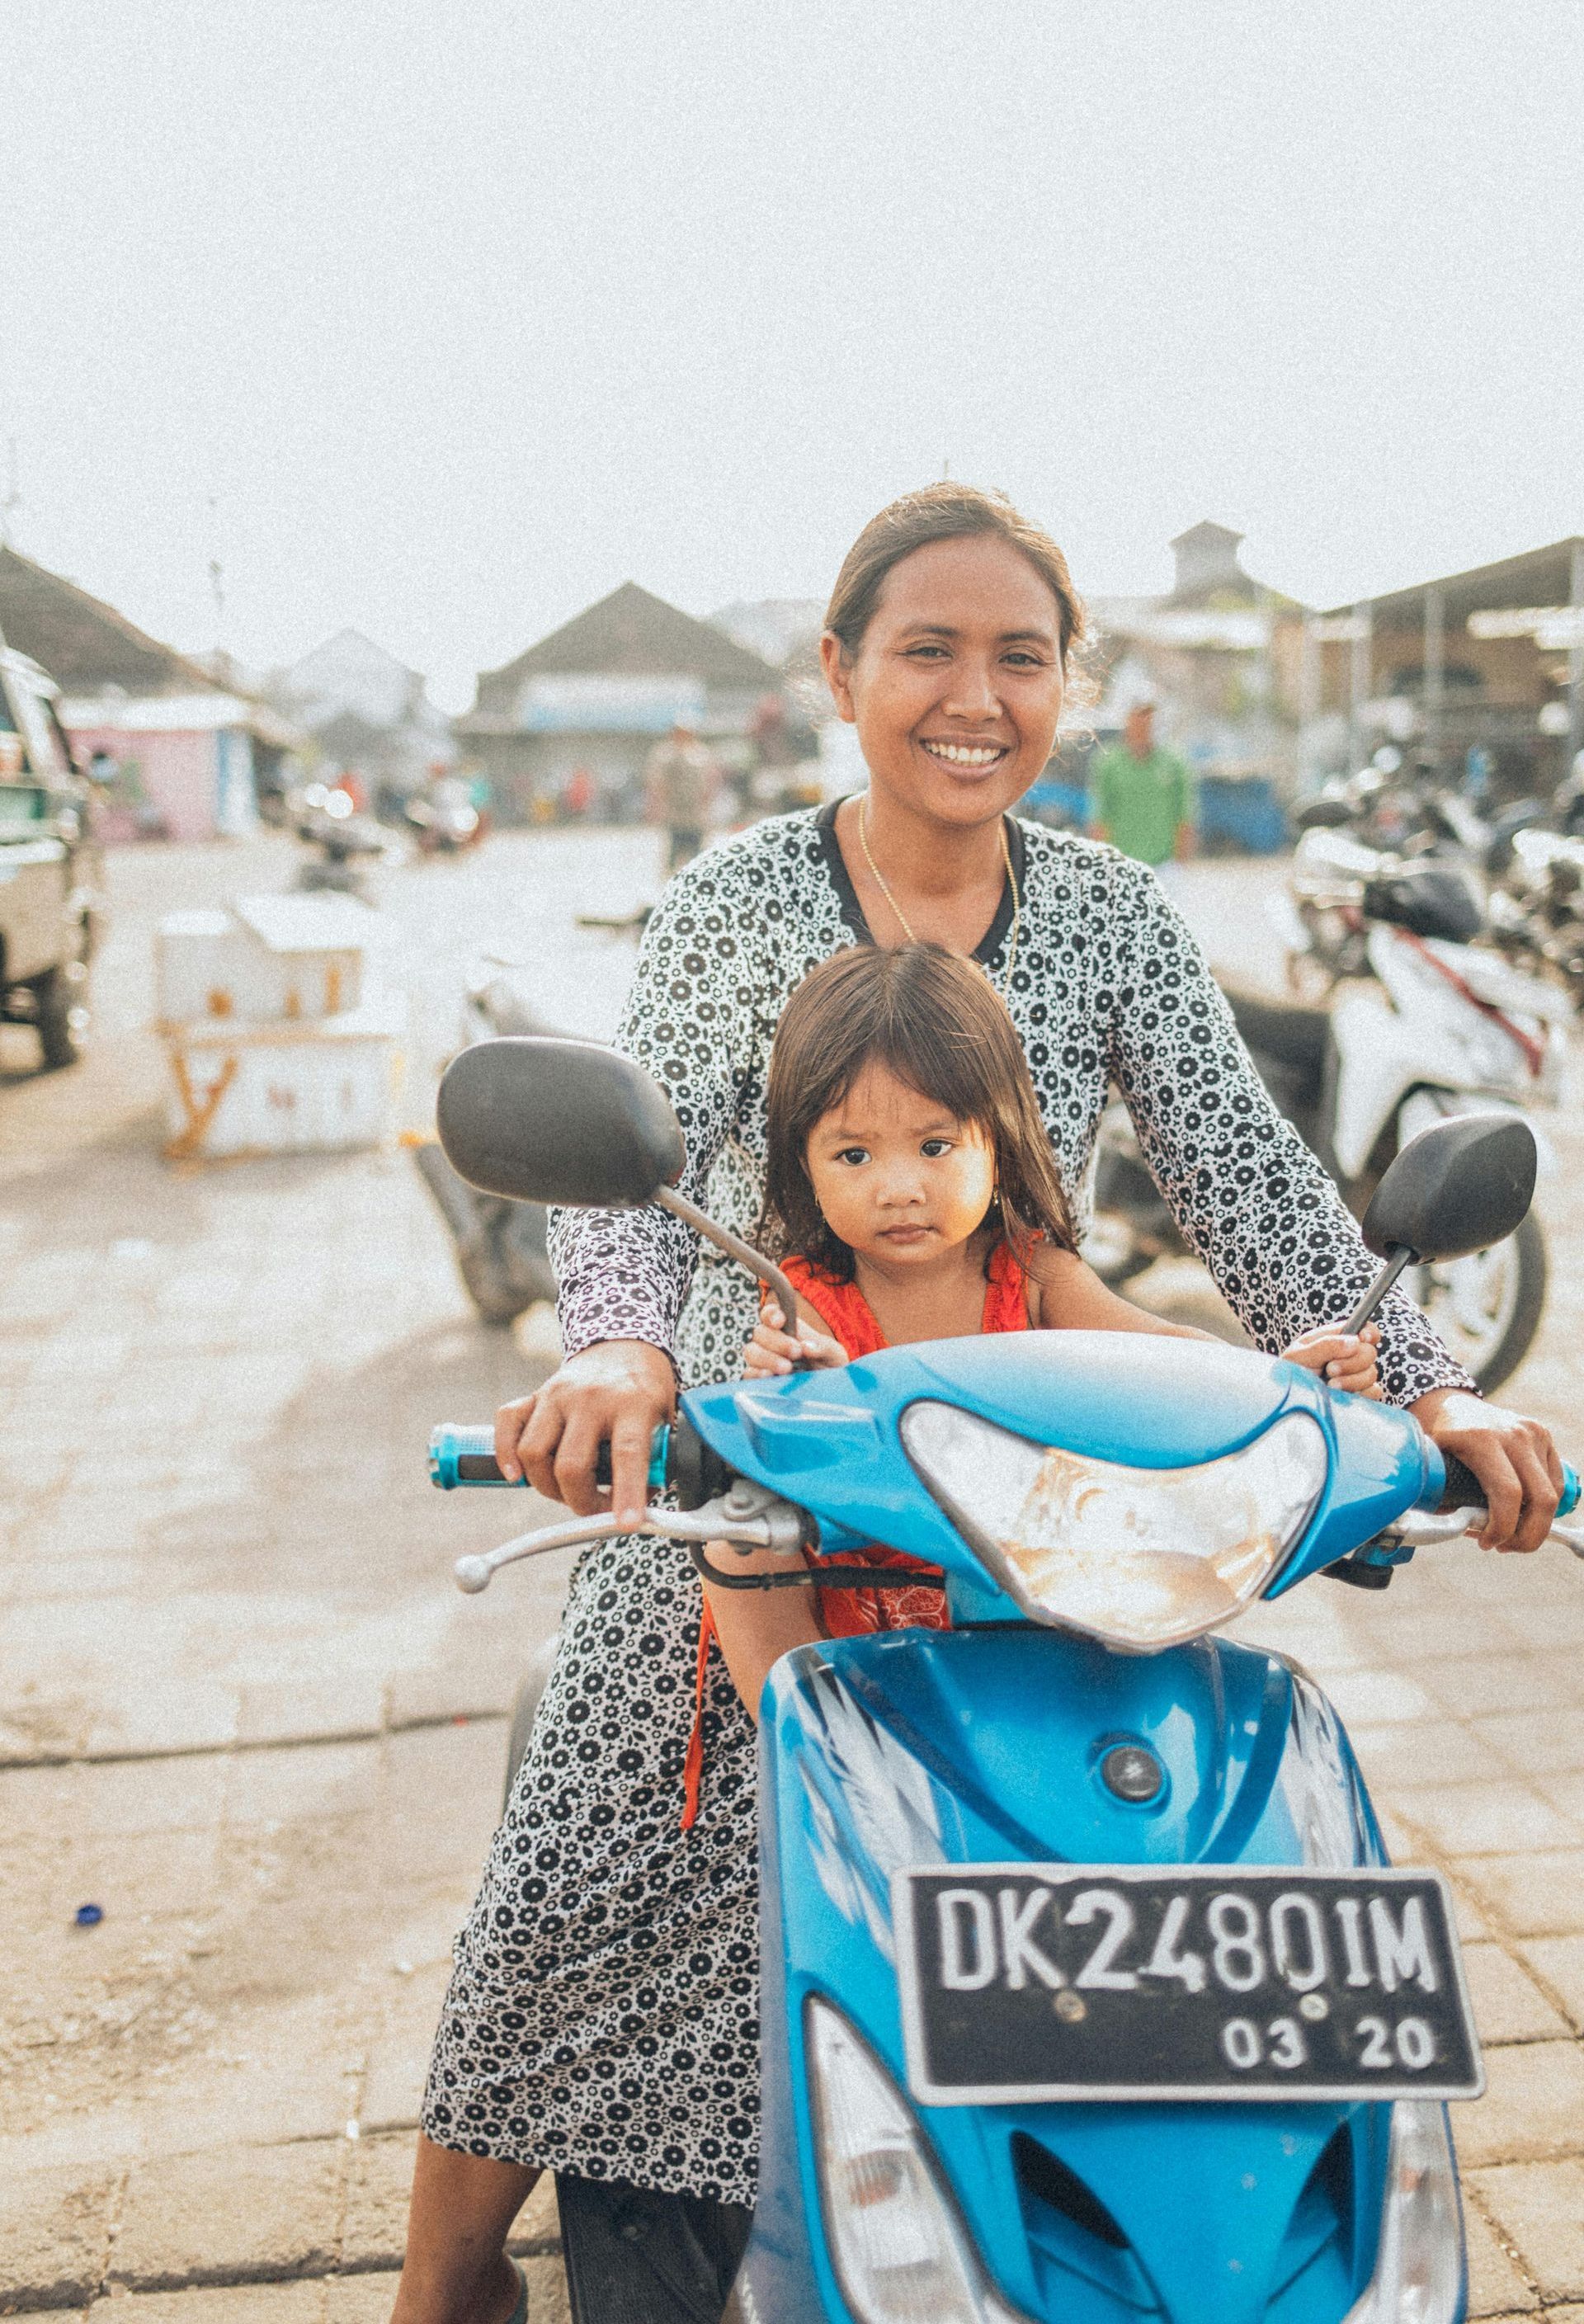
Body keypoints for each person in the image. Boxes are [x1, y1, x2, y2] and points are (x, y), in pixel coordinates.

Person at [394, 483, 1560, 2324]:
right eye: (927, 648)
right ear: (842, 671)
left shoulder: (1111, 908)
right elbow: (638, 1170)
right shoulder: (736, 899)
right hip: (747, 1462)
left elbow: (1250, 1182)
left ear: (1067, 687)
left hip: (1040, 1506)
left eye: (1020, 655)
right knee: (580, 1873)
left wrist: (1415, 1384)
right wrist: (621, 1355)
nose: (974, 692)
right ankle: (443, 2279)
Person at [700, 940, 1379, 1724]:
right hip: (872, 1625)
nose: (898, 1187)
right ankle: (809, 1747)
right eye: (853, 1154)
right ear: (805, 1165)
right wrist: (802, 1382)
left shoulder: (1034, 1273)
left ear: (997, 1138)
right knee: (735, 1539)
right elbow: (796, 1395)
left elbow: (1164, 1356)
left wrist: (1278, 1382)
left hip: (1053, 1608)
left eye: (934, 1146)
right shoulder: (809, 1299)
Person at [1090, 699, 1196, 873]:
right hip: (1121, 864)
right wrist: (1102, 864)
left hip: (1164, 865)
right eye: (1138, 716)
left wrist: (1180, 865)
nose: (1143, 723)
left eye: (1148, 717)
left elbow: (1184, 816)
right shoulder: (1109, 764)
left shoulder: (1174, 763)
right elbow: (1100, 818)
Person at [644, 720, 718, 870]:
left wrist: (707, 805)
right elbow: (656, 782)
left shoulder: (701, 754)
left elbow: (710, 780)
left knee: (697, 856)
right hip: (674, 812)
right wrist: (657, 805)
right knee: (673, 852)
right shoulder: (665, 754)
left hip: (695, 814)